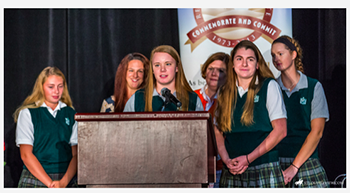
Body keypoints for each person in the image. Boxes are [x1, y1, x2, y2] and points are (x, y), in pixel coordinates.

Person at [214, 40, 287, 188]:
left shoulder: (269, 86)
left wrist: (248, 159)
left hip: (263, 168)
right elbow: (217, 130)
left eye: (250, 59)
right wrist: (226, 159)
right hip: (232, 170)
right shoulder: (225, 91)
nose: (244, 64)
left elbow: (281, 130)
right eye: (239, 59)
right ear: (233, 65)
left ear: (257, 64)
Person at [271, 35, 329, 188]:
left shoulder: (313, 87)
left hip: (306, 163)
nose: (276, 58)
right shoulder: (271, 88)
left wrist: (294, 166)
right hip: (277, 164)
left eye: (280, 54)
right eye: (273, 55)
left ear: (293, 54)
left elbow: (317, 132)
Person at [14, 66, 78, 188]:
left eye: (60, 86)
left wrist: (63, 182)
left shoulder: (71, 114)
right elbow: (26, 155)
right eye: (51, 87)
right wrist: (51, 184)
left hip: (66, 178)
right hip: (35, 177)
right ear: (41, 87)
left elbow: (76, 155)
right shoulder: (28, 113)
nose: (57, 91)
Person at [123, 45, 203, 112]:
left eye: (168, 64)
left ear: (177, 67)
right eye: (157, 65)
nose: (162, 69)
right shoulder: (137, 99)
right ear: (152, 69)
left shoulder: (193, 100)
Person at [194, 52, 230, 188]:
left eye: (221, 70)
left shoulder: (231, 102)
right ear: (205, 71)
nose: (214, 73)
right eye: (211, 69)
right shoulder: (192, 97)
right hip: (195, 167)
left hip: (222, 169)